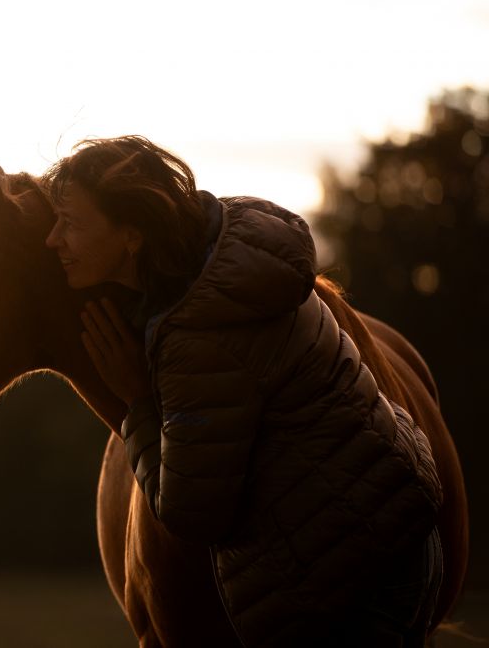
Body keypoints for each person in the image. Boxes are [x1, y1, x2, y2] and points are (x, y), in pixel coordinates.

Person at [42, 136, 444, 647]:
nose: (53, 240)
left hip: (351, 576)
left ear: (131, 235)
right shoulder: (231, 257)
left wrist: (137, 402)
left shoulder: (201, 337)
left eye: (71, 224)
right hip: (391, 528)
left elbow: (193, 514)